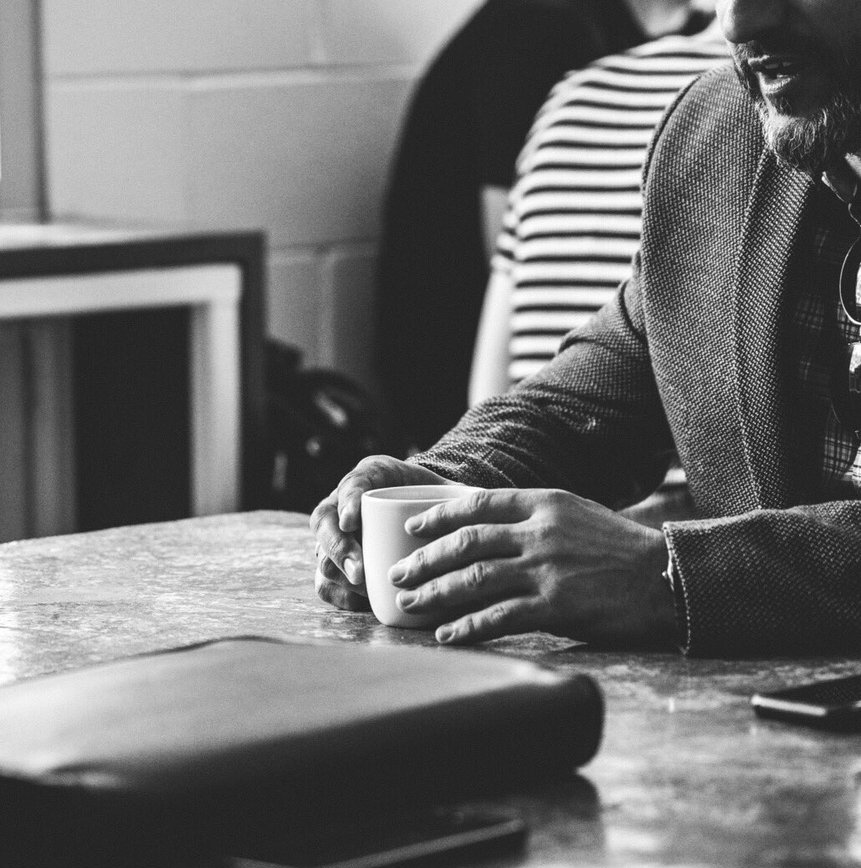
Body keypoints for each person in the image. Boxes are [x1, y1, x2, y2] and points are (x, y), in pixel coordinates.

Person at [313, 0, 861, 659]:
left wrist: (670, 578)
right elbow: (582, 406)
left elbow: (669, 572)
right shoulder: (717, 137)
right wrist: (433, 490)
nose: (737, 23)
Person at [374, 0, 710, 455]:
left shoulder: (575, 88)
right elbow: (502, 240)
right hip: (442, 375)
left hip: (505, 430)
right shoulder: (539, 29)